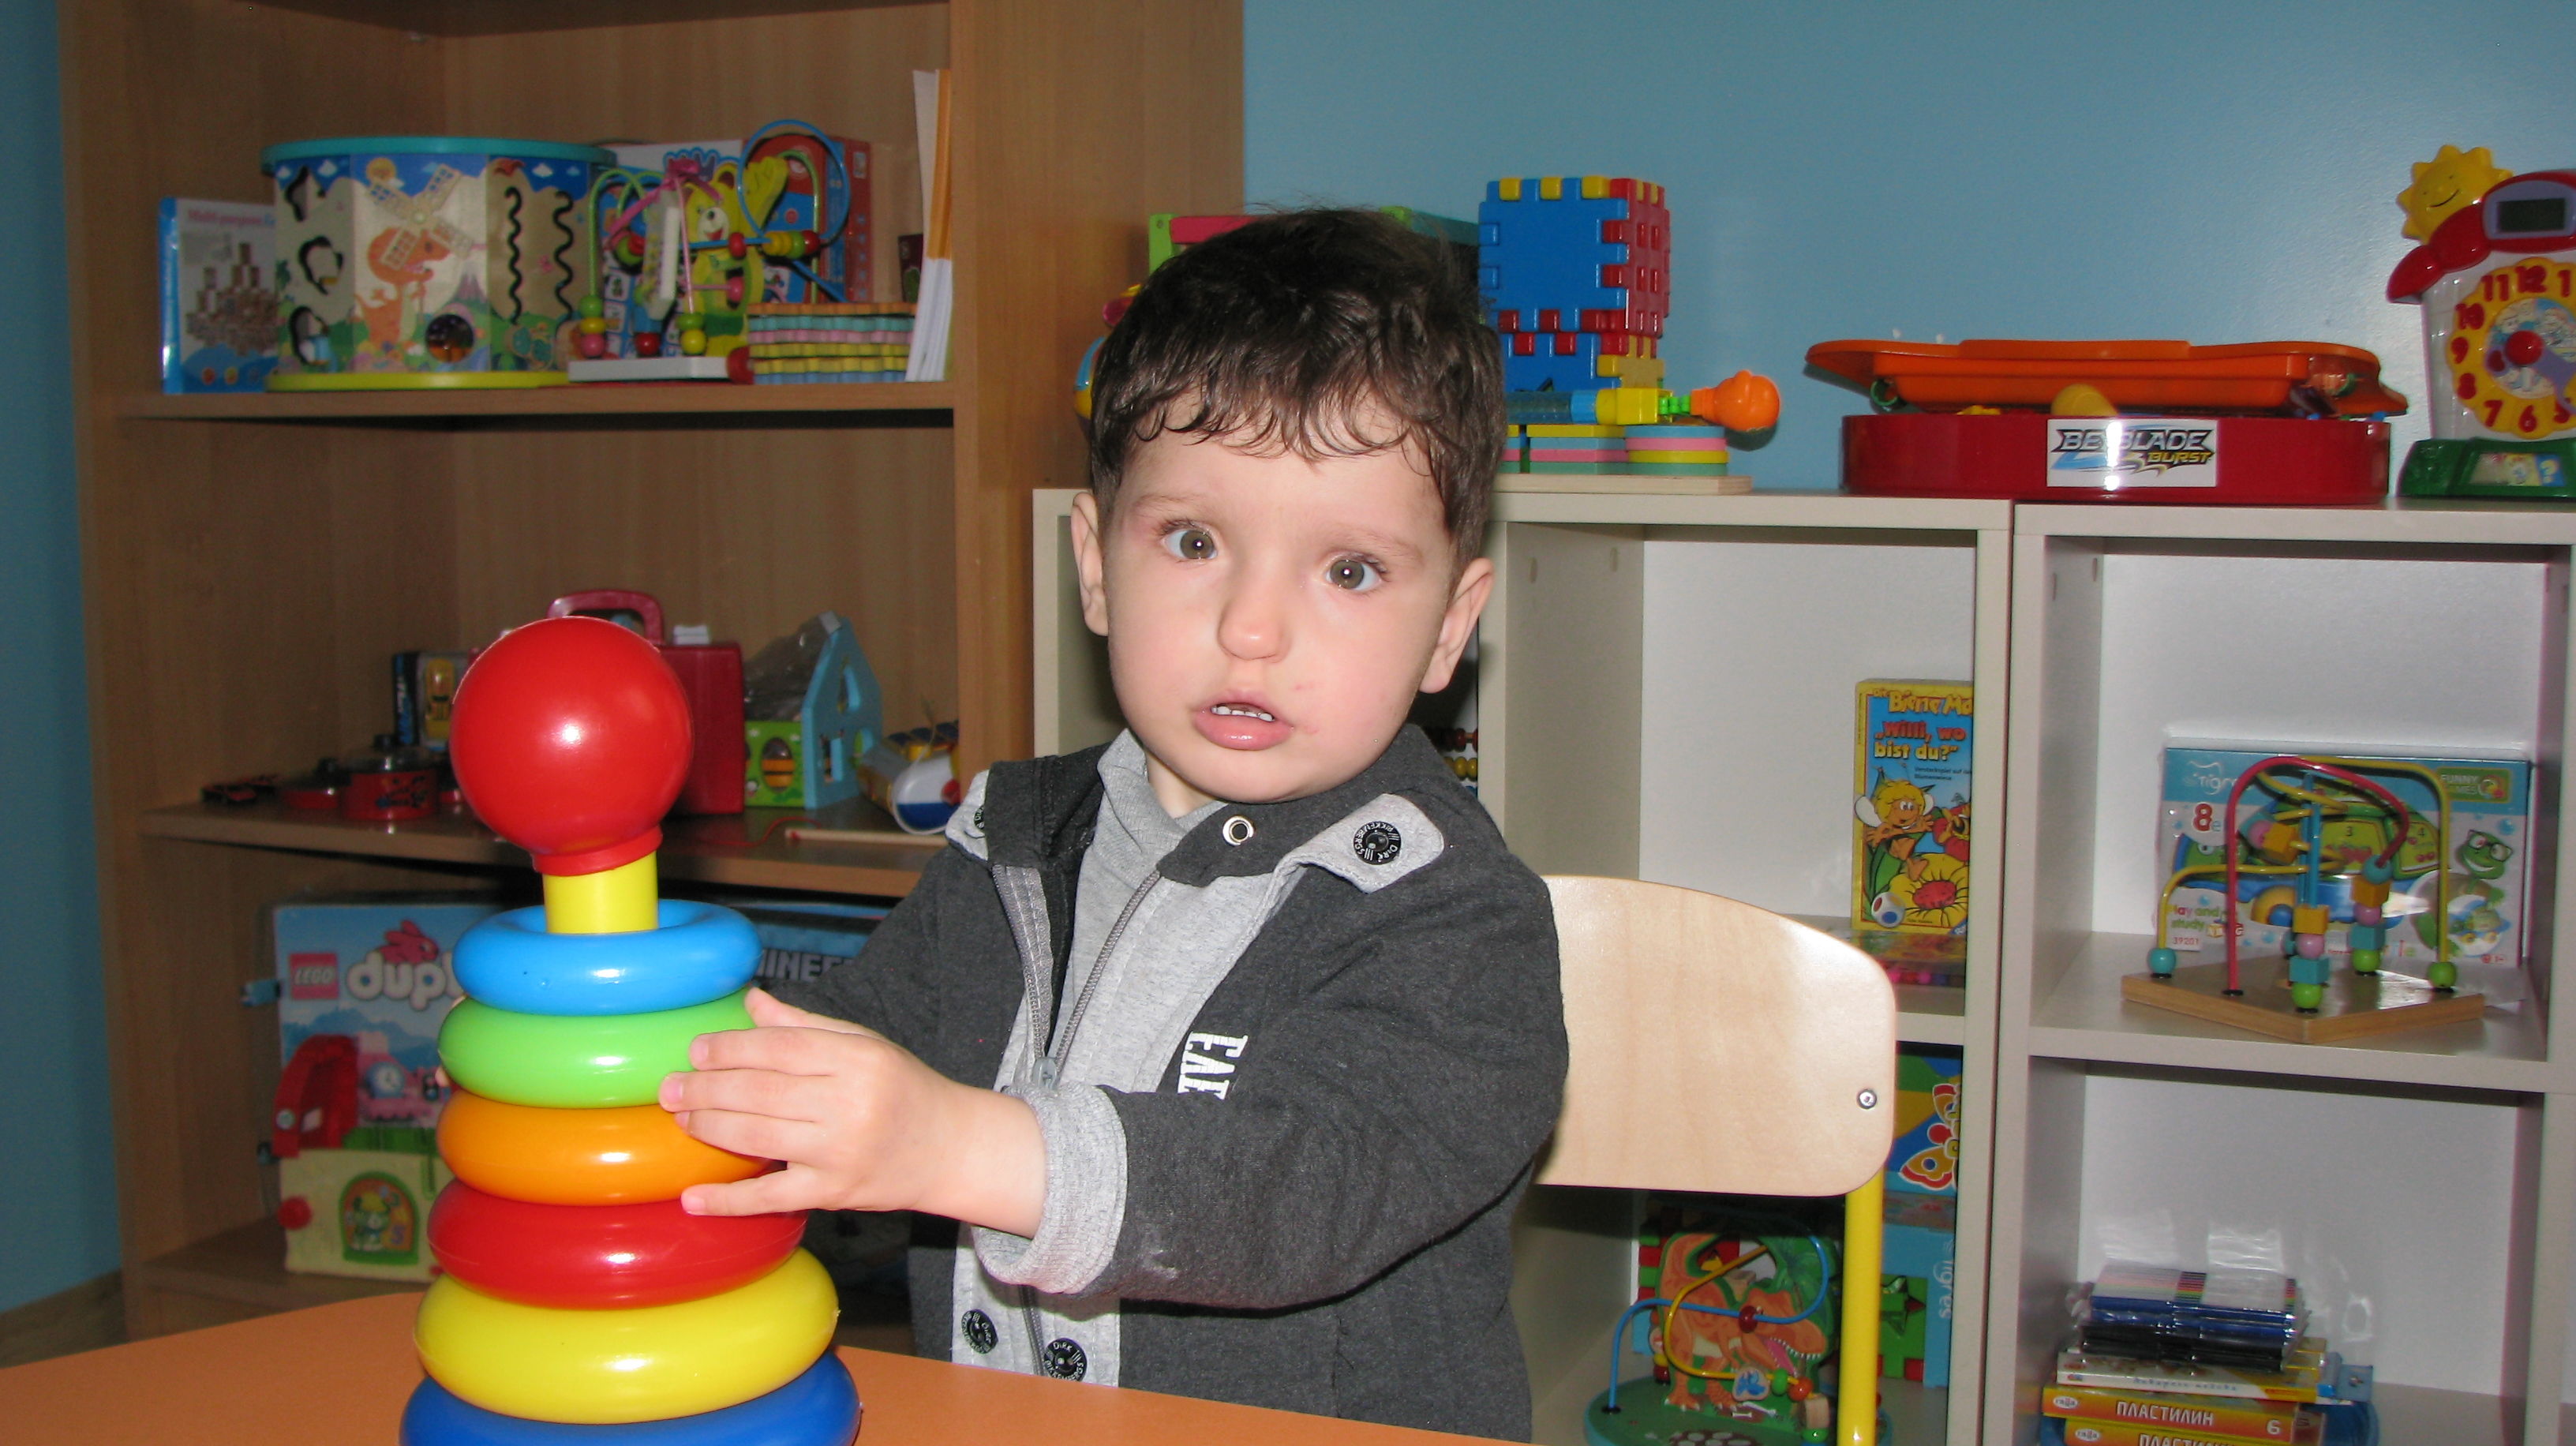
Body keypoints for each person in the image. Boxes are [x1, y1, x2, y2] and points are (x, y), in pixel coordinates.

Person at [659, 208, 1566, 1439]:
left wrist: (951, 1145)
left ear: (1451, 625)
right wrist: (664, 1068)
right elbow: (863, 1039)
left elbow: (1300, 1190)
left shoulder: (1458, 920)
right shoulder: (1014, 838)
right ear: (1094, 565)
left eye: (1348, 570)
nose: (1253, 628)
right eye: (1194, 542)